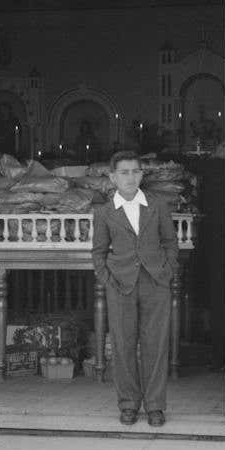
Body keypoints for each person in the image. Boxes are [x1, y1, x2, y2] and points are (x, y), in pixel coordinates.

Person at [91, 152, 179, 427]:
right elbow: (98, 252)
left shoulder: (157, 205)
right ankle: (128, 404)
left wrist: (167, 271)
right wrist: (108, 281)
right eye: (124, 172)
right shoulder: (104, 212)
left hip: (155, 282)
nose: (130, 177)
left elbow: (170, 242)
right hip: (121, 285)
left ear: (142, 175)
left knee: (155, 344)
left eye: (135, 171)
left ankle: (155, 406)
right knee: (123, 345)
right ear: (113, 177)